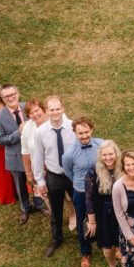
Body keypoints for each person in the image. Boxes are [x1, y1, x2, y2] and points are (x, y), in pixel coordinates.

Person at [32, 96, 76, 258]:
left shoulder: (73, 127)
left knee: (80, 205)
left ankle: (86, 234)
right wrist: (40, 180)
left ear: (63, 108)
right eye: (51, 110)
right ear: (46, 111)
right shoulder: (40, 132)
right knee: (56, 210)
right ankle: (57, 239)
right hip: (54, 176)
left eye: (58, 109)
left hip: (73, 175)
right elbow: (37, 157)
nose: (55, 112)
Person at [62, 117, 101, 267]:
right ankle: (85, 252)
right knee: (82, 222)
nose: (84, 136)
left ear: (91, 130)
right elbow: (68, 172)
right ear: (75, 133)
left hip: (100, 190)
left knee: (105, 217)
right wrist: (81, 184)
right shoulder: (69, 154)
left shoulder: (101, 145)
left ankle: (111, 244)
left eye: (86, 132)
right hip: (81, 192)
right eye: (80, 133)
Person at [0, 83, 35, 224]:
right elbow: (0, 140)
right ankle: (25, 208)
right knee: (20, 184)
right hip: (15, 156)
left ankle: (40, 204)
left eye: (12, 94)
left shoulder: (28, 108)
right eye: (6, 96)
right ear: (2, 99)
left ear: (17, 94)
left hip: (33, 153)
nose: (11, 98)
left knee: (36, 179)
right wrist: (17, 133)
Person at [83, 139, 124, 267]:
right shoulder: (93, 172)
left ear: (116, 153)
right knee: (108, 244)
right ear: (100, 156)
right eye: (104, 155)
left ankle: (125, 266)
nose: (108, 158)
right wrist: (92, 221)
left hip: (124, 211)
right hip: (104, 213)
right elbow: (88, 199)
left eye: (110, 154)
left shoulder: (124, 168)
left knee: (124, 241)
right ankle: (112, 266)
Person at [19, 99, 50, 220]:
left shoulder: (53, 122)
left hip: (56, 166)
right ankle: (54, 214)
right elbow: (25, 152)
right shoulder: (27, 128)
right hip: (38, 168)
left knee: (66, 194)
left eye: (37, 110)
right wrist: (28, 173)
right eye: (31, 113)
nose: (35, 114)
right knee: (45, 194)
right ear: (28, 116)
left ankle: (73, 215)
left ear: (43, 109)